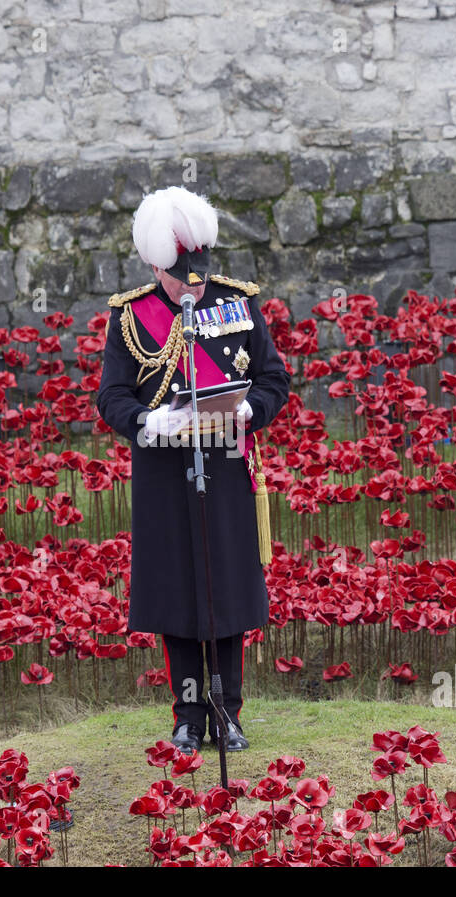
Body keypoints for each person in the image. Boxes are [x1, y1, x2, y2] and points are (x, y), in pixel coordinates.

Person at [96, 185, 291, 755]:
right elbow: (110, 397)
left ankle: (227, 712)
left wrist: (251, 409)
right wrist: (148, 422)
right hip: (163, 472)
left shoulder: (238, 302)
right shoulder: (131, 316)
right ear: (158, 266)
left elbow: (274, 379)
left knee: (226, 595)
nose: (195, 283)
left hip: (227, 465)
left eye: (201, 272)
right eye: (184, 275)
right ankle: (187, 716)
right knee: (177, 598)